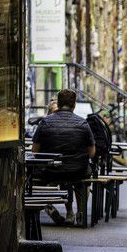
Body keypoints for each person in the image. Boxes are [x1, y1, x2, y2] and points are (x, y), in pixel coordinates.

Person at [32, 88, 96, 225]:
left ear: (58, 103)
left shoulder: (45, 122)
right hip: (77, 171)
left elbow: (35, 151)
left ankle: (51, 206)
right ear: (74, 104)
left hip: (51, 172)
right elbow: (92, 153)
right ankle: (80, 213)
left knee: (37, 175)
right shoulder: (83, 123)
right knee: (82, 176)